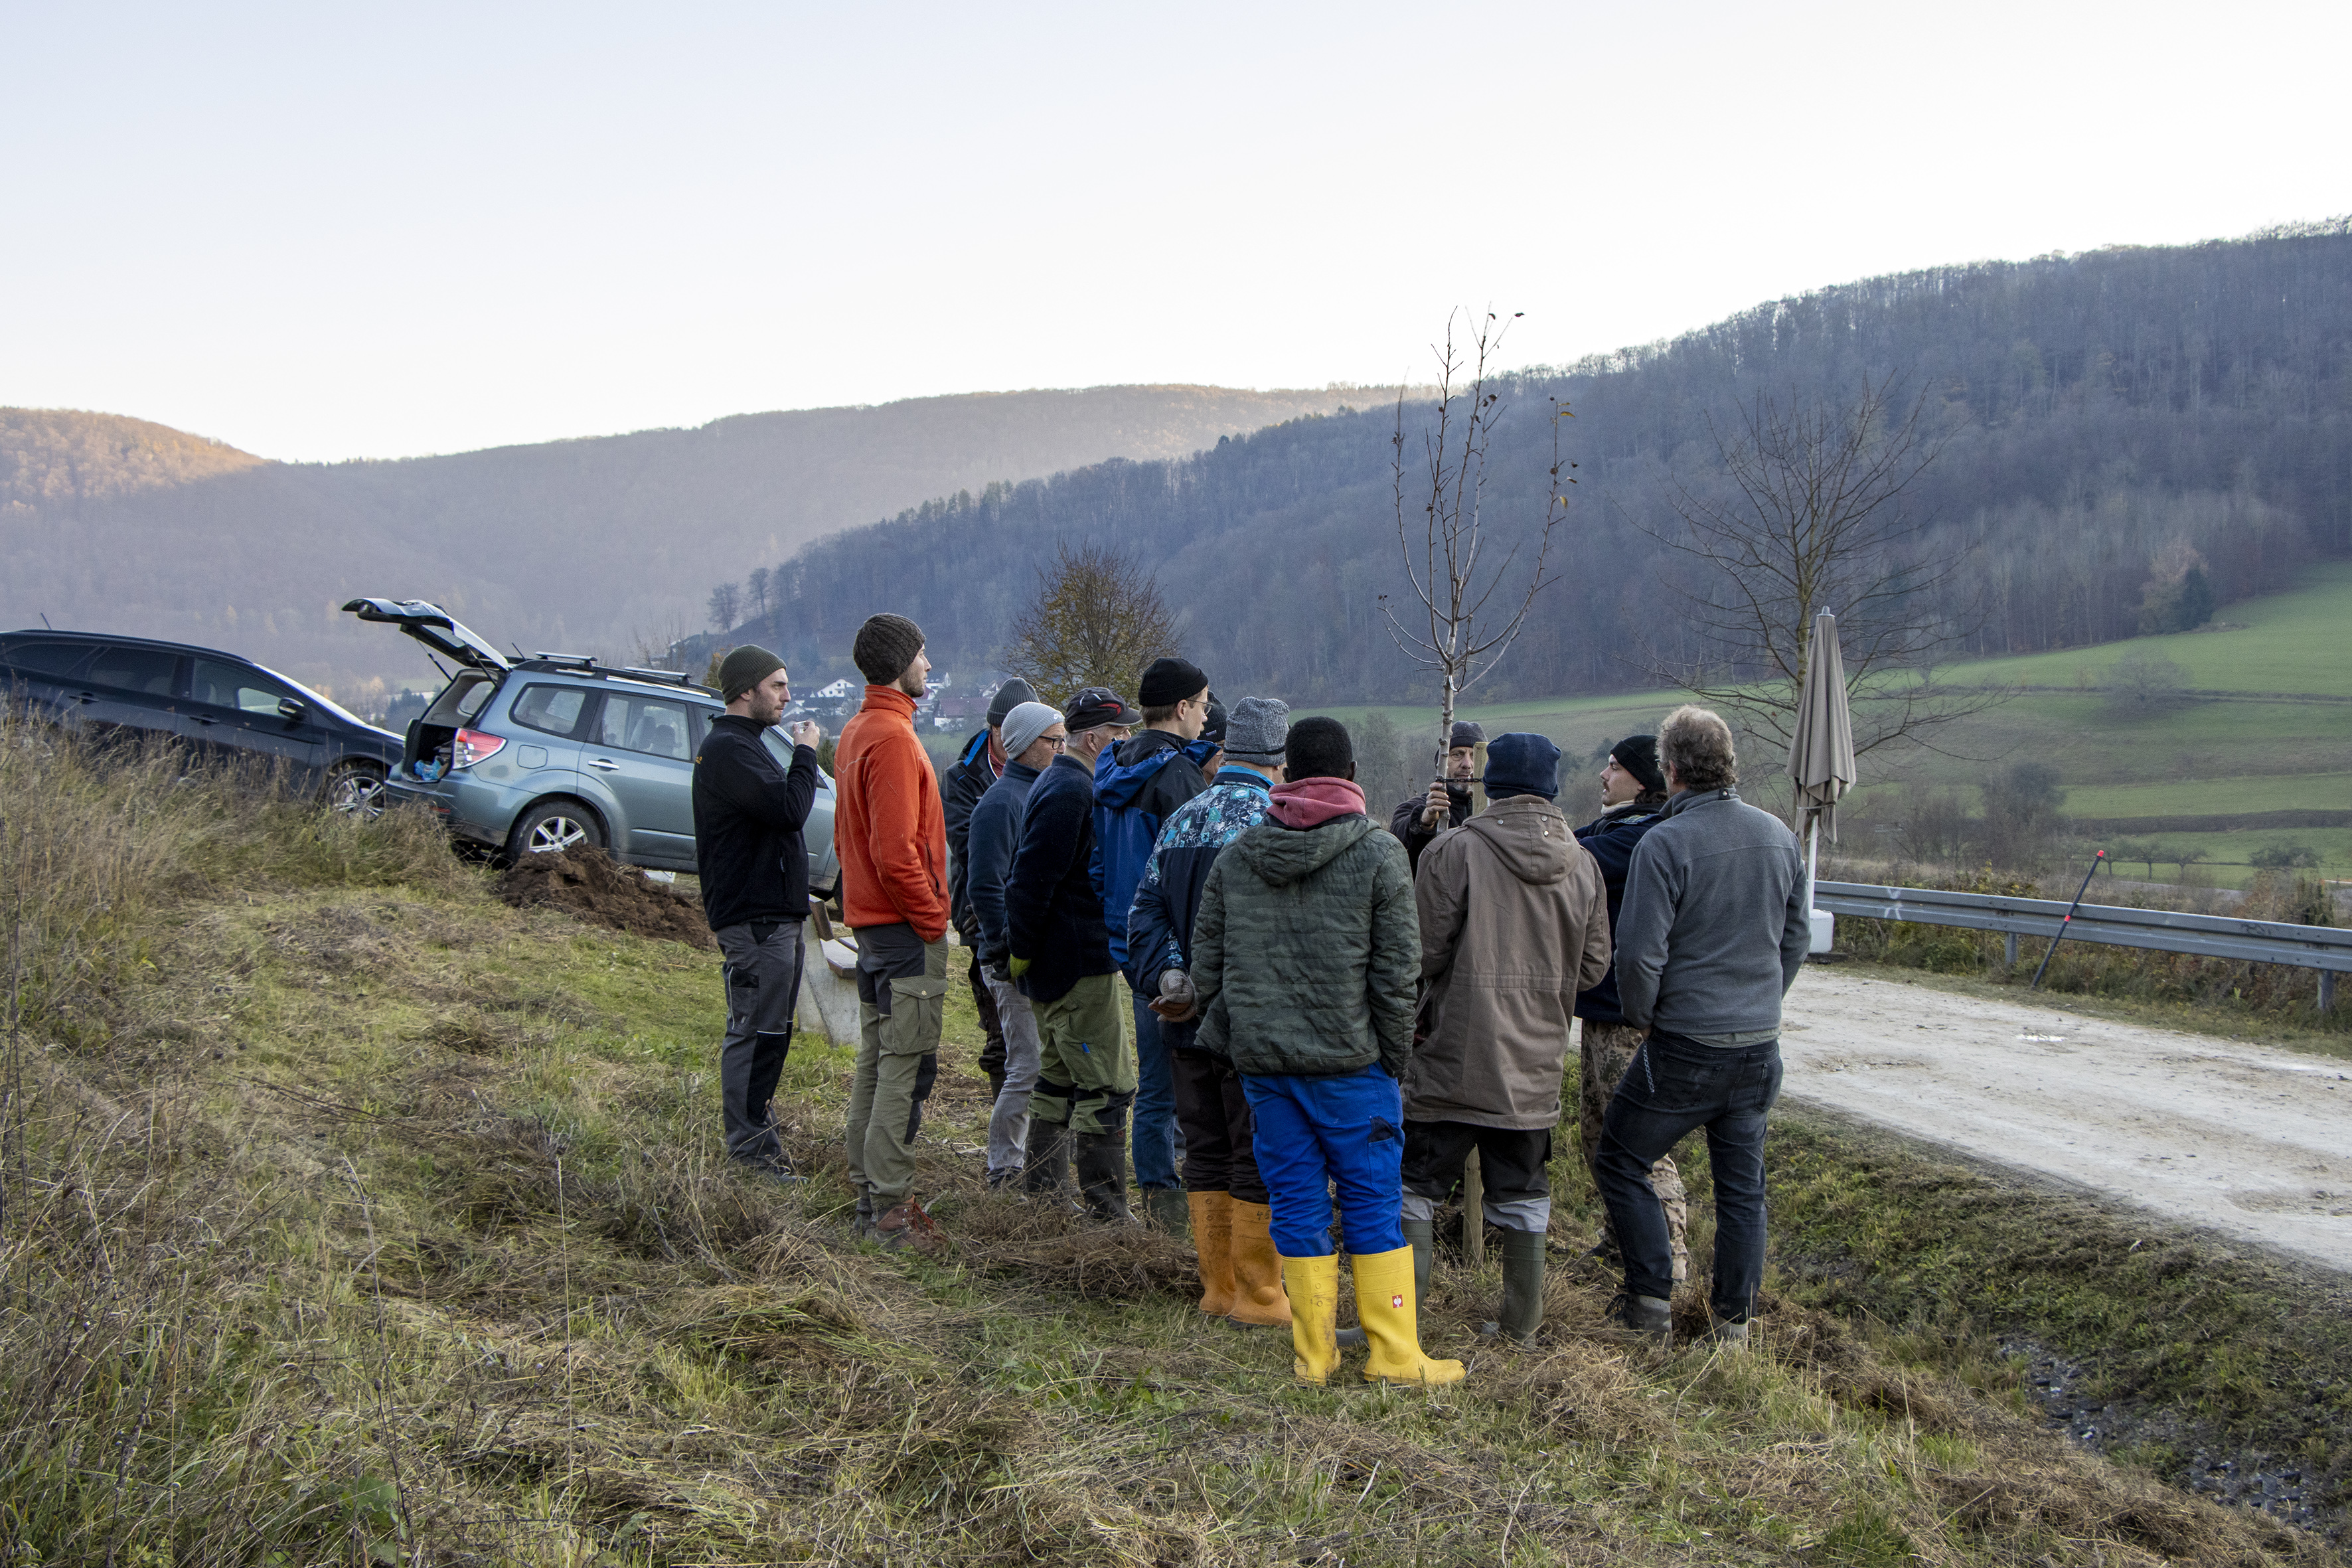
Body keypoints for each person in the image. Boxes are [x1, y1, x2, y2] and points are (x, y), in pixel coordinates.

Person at [1191, 717, 1462, 1386]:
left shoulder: (1238, 857)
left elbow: (1207, 970)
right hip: (1354, 1066)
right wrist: (1391, 1058)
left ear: (1287, 771)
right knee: (1371, 1202)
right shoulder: (1377, 854)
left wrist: (1241, 1039)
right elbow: (1401, 974)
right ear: (1348, 774)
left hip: (1267, 1070)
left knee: (1297, 1203)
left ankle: (1314, 1357)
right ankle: (1395, 1356)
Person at [1595, 706, 1810, 1346]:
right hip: (1757, 1047)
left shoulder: (1665, 843)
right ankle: (1733, 1327)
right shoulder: (1778, 835)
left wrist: (1642, 1018)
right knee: (1743, 1190)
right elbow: (1795, 938)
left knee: (1619, 1158)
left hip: (1684, 1046)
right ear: (1728, 764)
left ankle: (1650, 1301)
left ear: (1670, 769)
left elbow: (1638, 955)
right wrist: (1764, 1000)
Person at [1399, 733, 1610, 1346]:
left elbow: (1422, 953)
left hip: (1451, 1058)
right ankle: (1521, 1326)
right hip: (1534, 1066)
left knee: (1414, 1190)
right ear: (1549, 788)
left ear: (1492, 785)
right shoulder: (1583, 862)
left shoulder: (1452, 851)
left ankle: (1400, 1322)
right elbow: (1594, 969)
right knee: (1522, 1197)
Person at [1126, 696, 1293, 1327]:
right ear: (1277, 760)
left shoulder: (1184, 818)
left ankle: (1217, 1288)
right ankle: (1260, 1295)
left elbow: (1144, 910)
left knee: (1204, 1145)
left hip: (1184, 1017)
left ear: (1226, 754)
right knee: (1256, 1148)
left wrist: (1174, 974)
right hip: (1252, 1023)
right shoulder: (1275, 822)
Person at [834, 613, 952, 1253]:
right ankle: (888, 1212)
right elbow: (894, 851)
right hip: (904, 932)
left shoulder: (856, 731)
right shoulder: (893, 739)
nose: (929, 665)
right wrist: (933, 920)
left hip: (872, 930)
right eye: (922, 653)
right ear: (900, 660)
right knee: (905, 1071)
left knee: (877, 1066)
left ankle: (868, 1196)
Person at [1007, 687, 1142, 1219]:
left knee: (1057, 1081)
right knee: (1107, 1088)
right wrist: (1021, 953)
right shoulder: (1073, 791)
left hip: (1059, 961)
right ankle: (1108, 1215)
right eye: (1119, 733)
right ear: (1093, 739)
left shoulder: (1063, 780)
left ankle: (1043, 1201)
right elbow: (1029, 881)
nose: (1128, 739)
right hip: (1077, 965)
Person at [691, 645, 825, 1179]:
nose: (787, 697)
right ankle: (749, 1152)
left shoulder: (743, 745)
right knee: (756, 1031)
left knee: (769, 1032)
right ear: (745, 690)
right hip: (756, 918)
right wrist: (806, 753)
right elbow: (790, 810)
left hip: (770, 915)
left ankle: (759, 1138)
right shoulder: (729, 749)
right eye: (777, 685)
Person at [1093, 657, 1215, 1231]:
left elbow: (1097, 864)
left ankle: (1159, 1200)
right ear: (1183, 708)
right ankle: (1175, 1213)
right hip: (1171, 947)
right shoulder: (1177, 779)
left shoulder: (1111, 764)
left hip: (1127, 941)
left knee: (1154, 1081)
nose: (1208, 713)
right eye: (1205, 702)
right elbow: (1187, 876)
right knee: (1179, 1082)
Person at [1571, 734, 1687, 1282]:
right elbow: (1580, 839)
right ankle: (1623, 1243)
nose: (1603, 776)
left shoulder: (1646, 837)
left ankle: (1670, 1260)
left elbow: (1570, 854)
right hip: (1600, 1009)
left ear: (1643, 780)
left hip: (1629, 1019)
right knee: (1596, 1134)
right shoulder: (1618, 829)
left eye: (1613, 767)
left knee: (1637, 1145)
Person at [963, 701, 1063, 1188]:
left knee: (1045, 1061)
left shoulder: (1040, 793)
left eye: (1063, 740)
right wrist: (1006, 952)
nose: (1060, 749)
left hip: (1038, 955)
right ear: (1024, 745)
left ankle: (1039, 1166)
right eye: (1052, 741)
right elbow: (984, 886)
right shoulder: (1002, 803)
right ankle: (1003, 1167)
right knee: (1027, 1063)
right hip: (1009, 960)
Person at [944, 677, 1038, 1101]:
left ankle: (1036, 1122)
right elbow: (969, 847)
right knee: (999, 1029)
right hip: (978, 911)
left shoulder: (1046, 768)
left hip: (1035, 912)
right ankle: (1006, 1121)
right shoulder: (962, 777)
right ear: (994, 729)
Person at [1389, 720, 1485, 875]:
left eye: (1474, 756)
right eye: (1457, 755)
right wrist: (1425, 822)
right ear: (1441, 763)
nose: (1467, 764)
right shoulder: (1415, 807)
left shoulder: (1494, 811)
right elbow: (1396, 841)